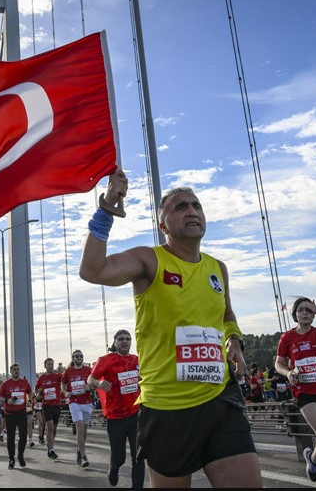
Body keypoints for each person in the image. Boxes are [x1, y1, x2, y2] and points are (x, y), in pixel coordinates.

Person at [80, 176, 260, 488]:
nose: (192, 211)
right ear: (164, 225)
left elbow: (227, 314)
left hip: (219, 398)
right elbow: (92, 270)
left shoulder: (218, 267)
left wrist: (234, 340)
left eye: (196, 206)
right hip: (167, 410)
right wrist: (107, 210)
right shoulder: (148, 260)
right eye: (181, 207)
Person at [274, 298, 316, 487]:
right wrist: (288, 372)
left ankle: (312, 460)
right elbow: (278, 364)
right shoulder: (287, 337)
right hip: (305, 392)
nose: (306, 313)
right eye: (302, 310)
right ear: (295, 314)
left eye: (309, 311)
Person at [88, 329, 145, 488]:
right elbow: (90, 378)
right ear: (115, 342)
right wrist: (99, 384)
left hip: (136, 414)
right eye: (121, 339)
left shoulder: (137, 360)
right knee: (119, 458)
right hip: (116, 416)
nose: (125, 341)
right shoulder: (106, 360)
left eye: (128, 338)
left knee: (138, 457)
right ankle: (114, 469)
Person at [62, 350, 93, 467]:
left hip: (86, 402)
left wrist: (89, 387)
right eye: (76, 356)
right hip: (74, 402)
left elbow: (94, 384)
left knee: (84, 431)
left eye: (81, 356)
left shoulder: (88, 370)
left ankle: (79, 450)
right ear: (73, 358)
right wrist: (65, 392)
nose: (79, 357)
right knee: (79, 428)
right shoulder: (68, 371)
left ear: (83, 358)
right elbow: (63, 384)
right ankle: (84, 457)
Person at [0, 363, 32, 469]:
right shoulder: (6, 383)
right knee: (11, 438)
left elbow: (30, 393)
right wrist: (7, 400)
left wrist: (29, 401)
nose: (17, 371)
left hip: (22, 413)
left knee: (23, 436)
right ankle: (11, 459)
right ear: (10, 371)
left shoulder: (24, 382)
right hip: (9, 414)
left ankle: (20, 456)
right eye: (14, 369)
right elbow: (0, 398)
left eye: (18, 369)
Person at [35, 358, 62, 461]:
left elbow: (64, 381)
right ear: (45, 366)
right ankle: (51, 449)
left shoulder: (57, 376)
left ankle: (50, 446)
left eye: (52, 364)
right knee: (49, 427)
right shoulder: (41, 378)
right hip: (46, 405)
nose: (50, 366)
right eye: (48, 364)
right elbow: (36, 389)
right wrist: (38, 395)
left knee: (54, 429)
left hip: (57, 405)